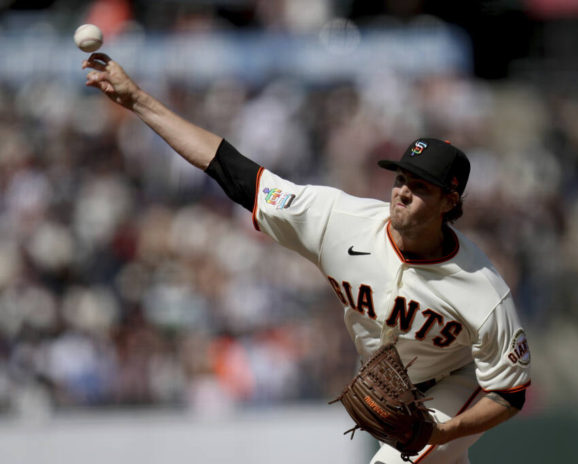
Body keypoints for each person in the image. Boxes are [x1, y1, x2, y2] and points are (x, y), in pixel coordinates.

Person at [81, 53, 531, 464]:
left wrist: (446, 429)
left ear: (451, 201)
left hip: (459, 382)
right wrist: (138, 100)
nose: (402, 192)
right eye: (401, 179)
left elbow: (510, 393)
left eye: (421, 187)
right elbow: (235, 172)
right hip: (391, 389)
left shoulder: (481, 288)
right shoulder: (339, 220)